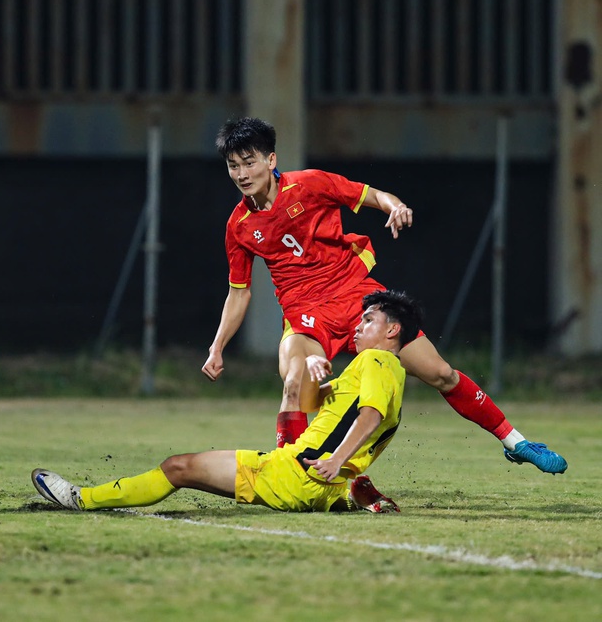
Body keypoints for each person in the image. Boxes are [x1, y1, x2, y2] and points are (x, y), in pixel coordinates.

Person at [200, 117, 567, 474]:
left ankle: (516, 442)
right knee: (295, 383)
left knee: (441, 374)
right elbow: (239, 292)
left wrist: (395, 206)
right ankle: (287, 473)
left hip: (359, 298)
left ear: (271, 160)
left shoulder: (311, 184)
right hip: (307, 314)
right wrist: (217, 348)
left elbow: (371, 195)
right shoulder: (239, 226)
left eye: (249, 163)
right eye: (233, 166)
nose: (242, 174)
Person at [33, 290, 420, 514]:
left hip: (298, 474)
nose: (358, 325)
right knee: (289, 392)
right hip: (321, 481)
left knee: (177, 467)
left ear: (393, 330)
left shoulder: (378, 360)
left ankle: (81, 499)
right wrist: (316, 374)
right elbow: (320, 411)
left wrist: (335, 461)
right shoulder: (380, 370)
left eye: (368, 320)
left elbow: (370, 416)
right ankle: (351, 495)